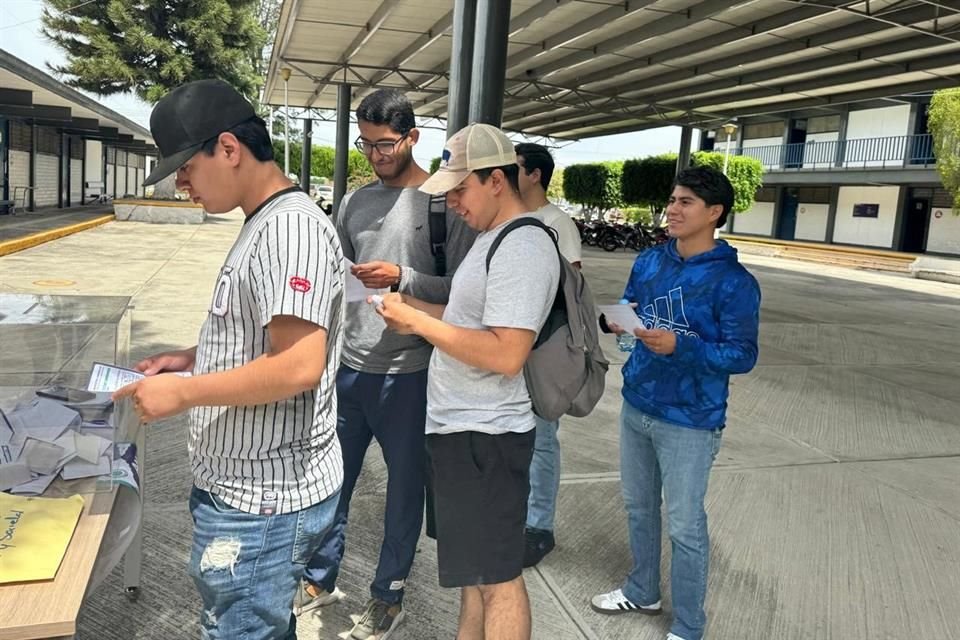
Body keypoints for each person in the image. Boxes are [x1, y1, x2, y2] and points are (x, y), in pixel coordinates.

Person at [113, 79, 345, 640]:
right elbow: (262, 338)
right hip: (245, 491)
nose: (182, 182)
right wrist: (192, 359)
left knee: (242, 630)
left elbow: (298, 365)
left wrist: (184, 393)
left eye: (186, 167)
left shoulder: (289, 229)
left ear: (229, 148)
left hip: (263, 502)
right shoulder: (263, 219)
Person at [294, 88, 475, 640]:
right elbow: (340, 279)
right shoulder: (352, 203)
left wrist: (402, 276)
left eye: (386, 144)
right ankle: (318, 578)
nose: (375, 155)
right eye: (365, 144)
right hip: (350, 369)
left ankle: (388, 595)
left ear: (413, 138)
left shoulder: (442, 206)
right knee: (331, 482)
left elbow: (466, 291)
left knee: (403, 492)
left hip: (413, 375)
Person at [374, 123, 560, 640]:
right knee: (474, 578)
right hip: (464, 432)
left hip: (488, 438)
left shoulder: (523, 248)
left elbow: (506, 353)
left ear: (497, 180)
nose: (452, 201)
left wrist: (418, 324)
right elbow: (465, 319)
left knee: (498, 579)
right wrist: (410, 306)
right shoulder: (489, 240)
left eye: (460, 188)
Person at [590, 166, 760, 640]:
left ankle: (688, 625)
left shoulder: (734, 282)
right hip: (637, 403)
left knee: (685, 524)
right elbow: (627, 305)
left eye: (685, 201)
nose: (672, 209)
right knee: (638, 507)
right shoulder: (649, 261)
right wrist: (614, 324)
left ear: (714, 212)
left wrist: (681, 347)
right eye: (672, 199)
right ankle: (643, 590)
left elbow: (742, 354)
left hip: (691, 420)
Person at [514, 142, 582, 568]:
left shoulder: (558, 223)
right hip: (509, 347)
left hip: (541, 351)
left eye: (515, 167)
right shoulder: (514, 218)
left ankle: (539, 527)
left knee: (542, 441)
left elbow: (571, 291)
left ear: (535, 174)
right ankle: (516, 517)